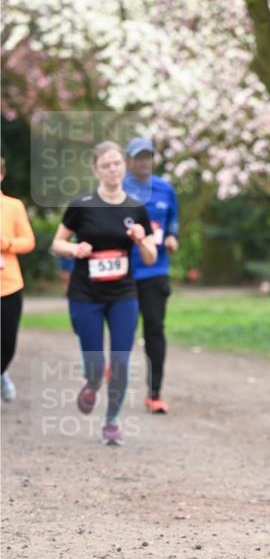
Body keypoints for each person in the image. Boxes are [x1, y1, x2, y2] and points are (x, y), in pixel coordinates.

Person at [51, 140, 157, 445]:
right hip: (86, 293)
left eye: (117, 164)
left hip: (123, 293)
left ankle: (111, 421)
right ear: (96, 169)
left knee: (121, 359)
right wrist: (74, 248)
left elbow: (150, 256)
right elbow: (57, 242)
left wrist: (140, 241)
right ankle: (92, 382)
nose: (113, 170)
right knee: (96, 364)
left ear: (124, 166)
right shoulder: (81, 204)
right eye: (106, 165)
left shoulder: (135, 207)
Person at [123, 137, 179, 414]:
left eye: (148, 157)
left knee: (154, 329)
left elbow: (173, 223)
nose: (144, 162)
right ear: (128, 160)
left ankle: (154, 392)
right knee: (124, 329)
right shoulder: (117, 189)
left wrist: (171, 237)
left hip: (155, 271)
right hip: (124, 272)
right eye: (138, 157)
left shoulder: (165, 188)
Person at [1, 157, 36, 401]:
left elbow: (29, 241)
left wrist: (7, 244)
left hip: (9, 285)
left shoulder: (13, 206)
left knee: (7, 345)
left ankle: (2, 373)